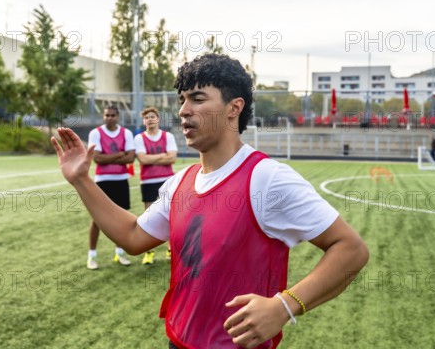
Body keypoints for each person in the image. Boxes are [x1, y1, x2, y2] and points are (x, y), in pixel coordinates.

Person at [52, 54, 369, 348]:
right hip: (176, 340)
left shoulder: (267, 178)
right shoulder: (179, 183)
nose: (183, 110)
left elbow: (351, 250)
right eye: (182, 100)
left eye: (197, 99)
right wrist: (81, 180)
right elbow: (133, 237)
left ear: (234, 108)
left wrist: (285, 306)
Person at [85, 104, 135, 270]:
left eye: (112, 115)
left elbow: (130, 159)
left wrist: (111, 157)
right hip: (102, 180)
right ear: (103, 116)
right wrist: (120, 154)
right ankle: (92, 255)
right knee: (97, 220)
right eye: (106, 115)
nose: (109, 118)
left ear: (118, 117)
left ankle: (120, 252)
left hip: (121, 180)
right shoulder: (95, 133)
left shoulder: (126, 133)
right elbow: (97, 159)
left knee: (120, 218)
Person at [135, 106, 178, 264]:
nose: (150, 119)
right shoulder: (139, 138)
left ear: (158, 119)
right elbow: (143, 160)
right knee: (148, 218)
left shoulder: (168, 136)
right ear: (144, 120)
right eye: (147, 117)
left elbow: (172, 158)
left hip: (167, 180)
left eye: (153, 117)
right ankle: (149, 253)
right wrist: (162, 155)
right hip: (147, 180)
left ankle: (170, 249)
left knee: (171, 216)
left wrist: (151, 157)